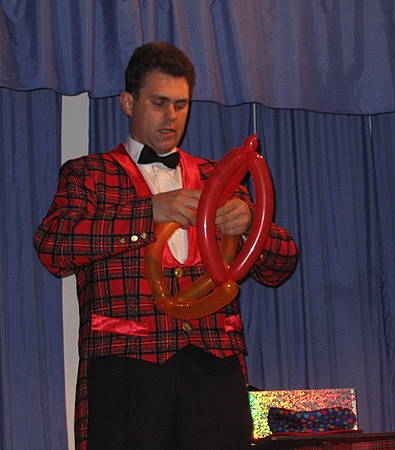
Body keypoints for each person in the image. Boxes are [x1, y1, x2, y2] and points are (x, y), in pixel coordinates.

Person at [33, 42, 298, 450]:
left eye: (181, 104)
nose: (171, 116)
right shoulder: (89, 174)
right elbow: (54, 247)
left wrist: (248, 227)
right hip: (125, 367)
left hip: (214, 366)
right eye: (158, 103)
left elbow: (281, 266)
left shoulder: (219, 178)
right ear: (128, 102)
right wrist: (149, 212)